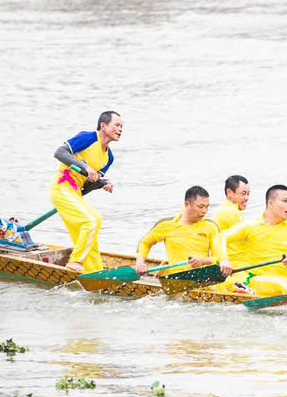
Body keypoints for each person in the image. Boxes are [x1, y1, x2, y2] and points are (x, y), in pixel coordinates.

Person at [50, 111, 121, 274]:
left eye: (122, 127)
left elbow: (87, 187)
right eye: (117, 125)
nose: (120, 129)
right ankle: (75, 261)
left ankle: (94, 272)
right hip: (62, 188)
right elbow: (59, 153)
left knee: (93, 224)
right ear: (103, 126)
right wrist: (86, 167)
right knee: (91, 220)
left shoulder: (109, 158)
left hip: (75, 193)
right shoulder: (88, 138)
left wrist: (101, 184)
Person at [223, 184, 287, 296]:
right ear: (271, 203)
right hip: (259, 279)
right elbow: (221, 238)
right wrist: (224, 260)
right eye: (285, 201)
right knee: (285, 288)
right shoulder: (251, 226)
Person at [133, 185, 231, 277]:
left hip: (203, 278)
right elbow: (144, 243)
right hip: (176, 280)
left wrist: (204, 261)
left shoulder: (211, 227)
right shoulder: (167, 224)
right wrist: (140, 262)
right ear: (187, 204)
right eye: (200, 207)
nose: (204, 211)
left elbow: (219, 256)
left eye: (207, 206)